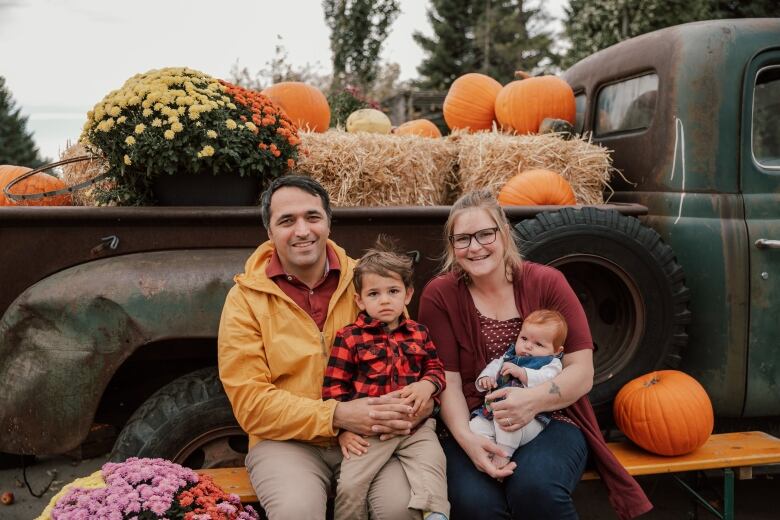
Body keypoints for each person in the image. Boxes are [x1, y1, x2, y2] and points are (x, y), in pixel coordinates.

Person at [418, 189, 652, 520]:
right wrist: (468, 442)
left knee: (535, 489)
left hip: (551, 418)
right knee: (475, 505)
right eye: (463, 239)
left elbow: (581, 370)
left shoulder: (547, 282)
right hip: (476, 421)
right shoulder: (440, 295)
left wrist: (532, 401)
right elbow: (448, 382)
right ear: (452, 247)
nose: (476, 246)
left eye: (486, 234)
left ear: (504, 232)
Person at [218, 175, 433, 520]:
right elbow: (251, 403)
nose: (302, 230)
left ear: (329, 223)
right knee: (297, 513)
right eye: (287, 221)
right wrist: (336, 415)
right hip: (287, 442)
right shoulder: (245, 299)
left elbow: (408, 360)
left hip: (372, 437)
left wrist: (419, 398)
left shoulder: (368, 282)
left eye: (312, 217)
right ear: (270, 233)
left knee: (401, 509)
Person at [322, 240, 450, 520]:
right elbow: (333, 389)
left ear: (407, 295)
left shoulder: (419, 332)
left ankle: (436, 513)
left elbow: (436, 369)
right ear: (360, 300)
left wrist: (427, 385)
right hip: (371, 433)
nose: (384, 300)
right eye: (374, 293)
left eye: (393, 291)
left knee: (432, 464)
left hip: (415, 428)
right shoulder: (350, 337)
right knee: (351, 484)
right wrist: (343, 430)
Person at [471, 310, 566, 469]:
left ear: (557, 350)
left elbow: (549, 379)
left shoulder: (551, 363)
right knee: (475, 425)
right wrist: (486, 379)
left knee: (507, 422)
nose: (528, 346)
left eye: (538, 344)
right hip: (492, 412)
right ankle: (489, 448)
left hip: (528, 419)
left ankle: (503, 455)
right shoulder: (509, 355)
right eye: (524, 338)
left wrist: (523, 373)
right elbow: (494, 366)